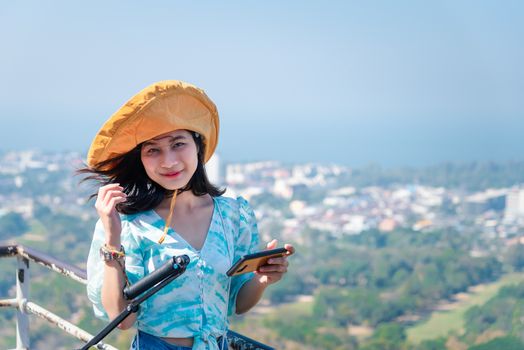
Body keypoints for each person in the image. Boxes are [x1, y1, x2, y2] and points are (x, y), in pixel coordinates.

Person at [82, 80, 295, 350]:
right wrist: (112, 239)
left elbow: (237, 303)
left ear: (198, 146)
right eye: (153, 150)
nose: (169, 161)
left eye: (178, 144)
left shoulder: (233, 215)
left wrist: (262, 280)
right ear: (141, 159)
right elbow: (122, 319)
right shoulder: (127, 223)